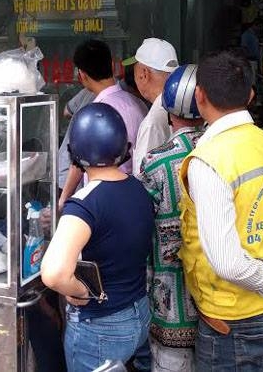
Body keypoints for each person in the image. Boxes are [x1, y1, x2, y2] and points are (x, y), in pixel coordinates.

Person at [178, 49, 263, 371]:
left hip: (234, 316)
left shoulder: (209, 160)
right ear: (251, 95)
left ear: (199, 96)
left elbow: (226, 261)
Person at [41, 103, 154, 372]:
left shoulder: (85, 204)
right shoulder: (138, 188)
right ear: (123, 147)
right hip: (138, 314)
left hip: (101, 327)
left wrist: (82, 291)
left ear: (75, 154)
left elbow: (54, 274)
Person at [138, 65, 204, 372]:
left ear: (167, 109)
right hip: (216, 301)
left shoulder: (155, 162)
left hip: (170, 300)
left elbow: (139, 229)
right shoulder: (223, 151)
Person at [58, 39, 147, 209]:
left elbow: (79, 163)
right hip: (134, 195)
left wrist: (63, 200)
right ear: (112, 66)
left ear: (82, 75)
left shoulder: (97, 115)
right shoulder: (138, 104)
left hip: (103, 200)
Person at [122, 37, 178, 174]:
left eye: (135, 70)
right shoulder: (181, 105)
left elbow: (145, 177)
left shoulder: (152, 122)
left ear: (144, 74)